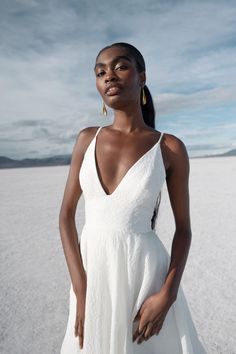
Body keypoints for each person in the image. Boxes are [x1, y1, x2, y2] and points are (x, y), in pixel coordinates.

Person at [59, 42, 207, 353]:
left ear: (142, 77)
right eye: (101, 72)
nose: (109, 76)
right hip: (92, 273)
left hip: (145, 277)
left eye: (120, 66)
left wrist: (168, 294)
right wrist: (82, 290)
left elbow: (184, 229)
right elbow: (65, 217)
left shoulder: (169, 148)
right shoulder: (87, 139)